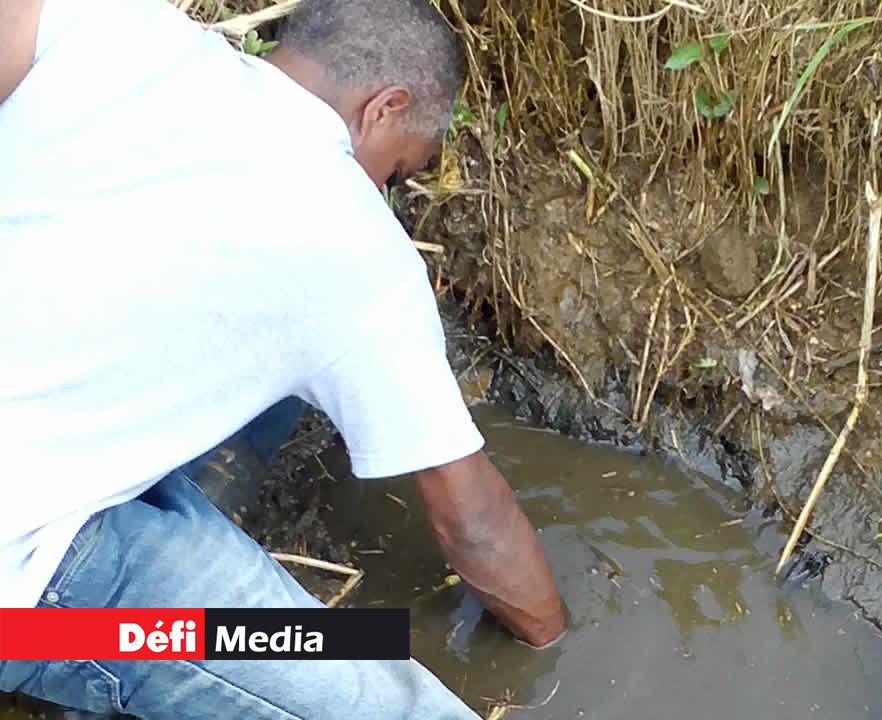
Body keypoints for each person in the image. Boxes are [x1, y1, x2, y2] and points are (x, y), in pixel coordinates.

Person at [0, 0, 566, 717]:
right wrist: (554, 644)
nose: (382, 194)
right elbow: (473, 523)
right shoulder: (360, 251)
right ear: (385, 108)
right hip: (28, 584)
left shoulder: (114, 29)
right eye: (395, 173)